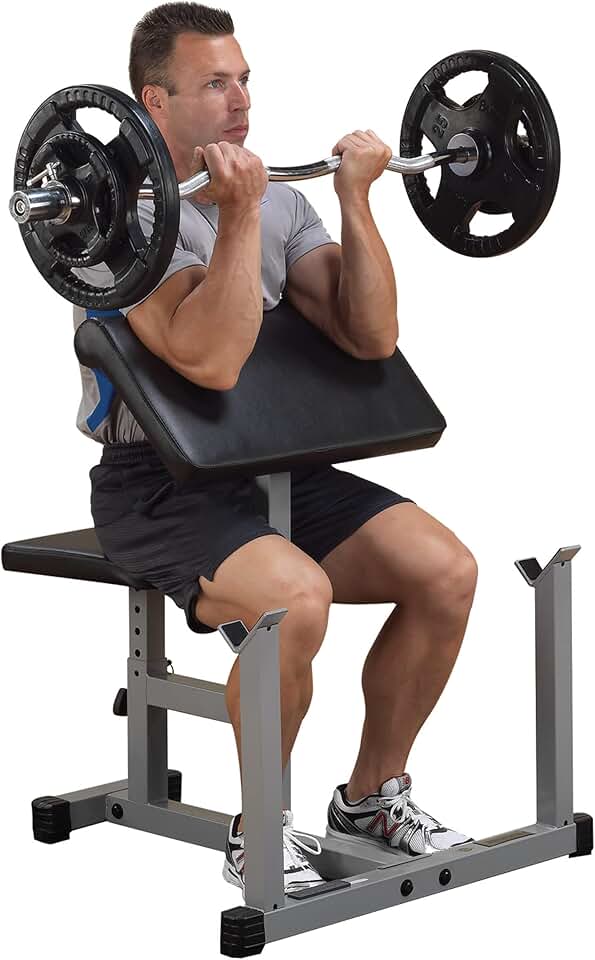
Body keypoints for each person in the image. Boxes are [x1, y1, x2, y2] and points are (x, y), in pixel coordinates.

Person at [73, 2, 478, 899]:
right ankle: (256, 832)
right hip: (157, 487)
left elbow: (370, 336)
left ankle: (371, 799)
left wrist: (353, 201)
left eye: (244, 79)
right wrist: (239, 214)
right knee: (295, 601)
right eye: (214, 83)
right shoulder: (111, 226)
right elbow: (210, 359)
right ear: (154, 101)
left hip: (276, 469)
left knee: (445, 572)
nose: (241, 101)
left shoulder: (284, 203)